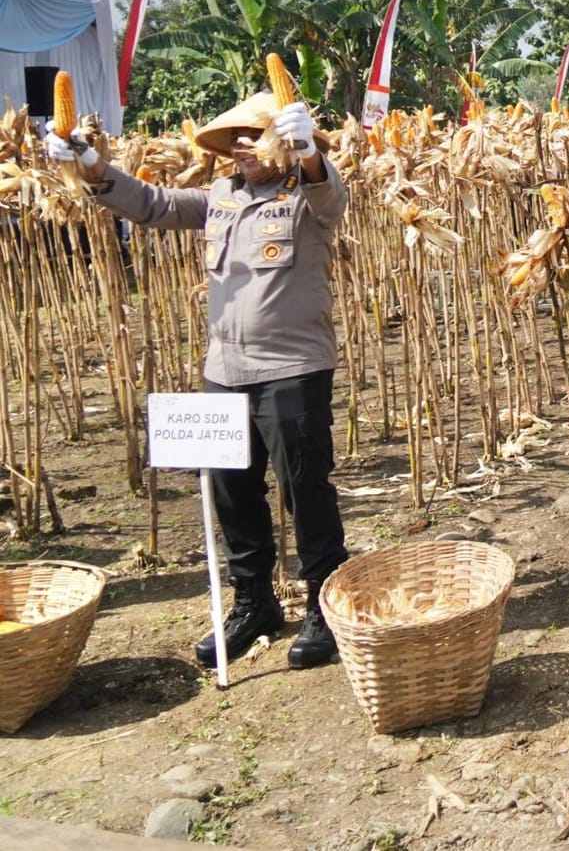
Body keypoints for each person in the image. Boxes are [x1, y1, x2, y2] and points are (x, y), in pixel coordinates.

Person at [47, 93, 350, 669]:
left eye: (254, 139)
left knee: (304, 488)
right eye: (235, 142)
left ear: (284, 142)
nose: (242, 150)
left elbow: (330, 194)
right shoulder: (220, 197)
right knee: (231, 492)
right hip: (224, 372)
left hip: (292, 369)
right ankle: (253, 601)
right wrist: (89, 164)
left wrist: (310, 154)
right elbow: (152, 205)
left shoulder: (306, 195)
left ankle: (324, 601)